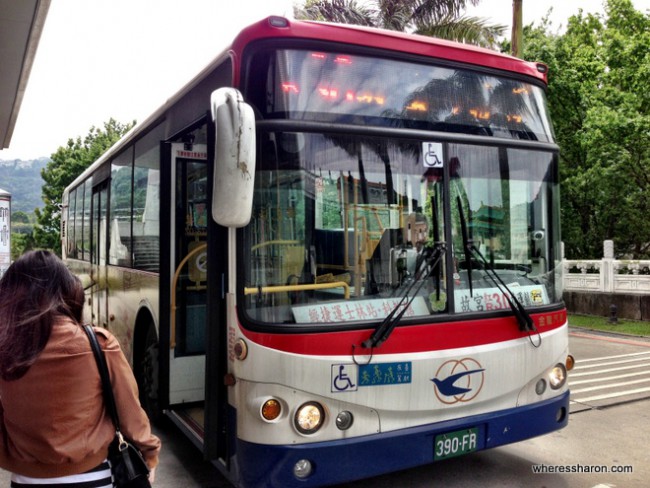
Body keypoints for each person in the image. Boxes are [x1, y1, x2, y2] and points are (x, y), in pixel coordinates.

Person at [0, 250, 161, 486]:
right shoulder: (100, 344)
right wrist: (150, 454)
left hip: (26, 479)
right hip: (94, 476)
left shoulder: (5, 348)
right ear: (68, 291)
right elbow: (130, 414)